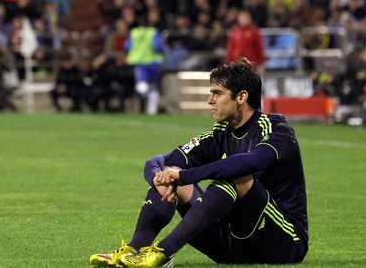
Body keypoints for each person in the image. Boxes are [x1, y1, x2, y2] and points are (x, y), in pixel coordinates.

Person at [89, 59, 308, 267]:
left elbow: (249, 162)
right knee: (170, 172)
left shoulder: (276, 129)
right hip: (233, 246)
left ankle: (163, 253)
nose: (210, 100)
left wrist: (186, 176)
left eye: (217, 93)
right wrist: (161, 177)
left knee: (234, 176)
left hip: (283, 242)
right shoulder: (219, 133)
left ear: (241, 97)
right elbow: (159, 161)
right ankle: (133, 251)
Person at [125, 18, 165, 115]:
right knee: (153, 85)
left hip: (140, 63)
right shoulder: (153, 32)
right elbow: (157, 46)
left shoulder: (134, 33)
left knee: (141, 84)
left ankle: (146, 100)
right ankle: (152, 110)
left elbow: (127, 46)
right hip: (153, 62)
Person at [225, 10, 266, 74]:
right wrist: (228, 62)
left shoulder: (254, 31)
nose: (244, 19)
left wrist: (261, 64)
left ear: (249, 18)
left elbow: (259, 48)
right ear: (238, 19)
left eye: (245, 17)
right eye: (242, 17)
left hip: (251, 64)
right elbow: (230, 48)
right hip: (236, 64)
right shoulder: (235, 31)